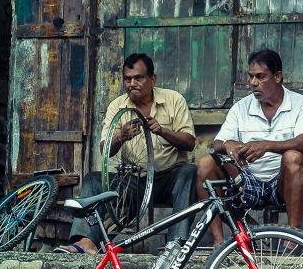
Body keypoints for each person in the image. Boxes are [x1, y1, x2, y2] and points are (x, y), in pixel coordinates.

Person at [55, 53, 197, 254]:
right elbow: (106, 150)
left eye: (138, 78)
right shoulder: (117, 106)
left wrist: (163, 131)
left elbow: (190, 143)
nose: (132, 84)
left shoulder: (174, 100)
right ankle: (86, 242)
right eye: (127, 79)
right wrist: (120, 136)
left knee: (189, 172)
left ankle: (176, 244)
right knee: (93, 180)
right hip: (133, 182)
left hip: (168, 179)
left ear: (152, 79)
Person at [196, 49, 303, 244]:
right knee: (205, 163)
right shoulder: (241, 107)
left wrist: (267, 146)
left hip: (282, 183)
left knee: (293, 157)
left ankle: (293, 239)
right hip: (247, 182)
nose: (253, 83)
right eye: (251, 77)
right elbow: (217, 143)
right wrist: (229, 145)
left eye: (260, 77)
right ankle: (218, 241)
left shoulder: (301, 104)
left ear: (277, 76)